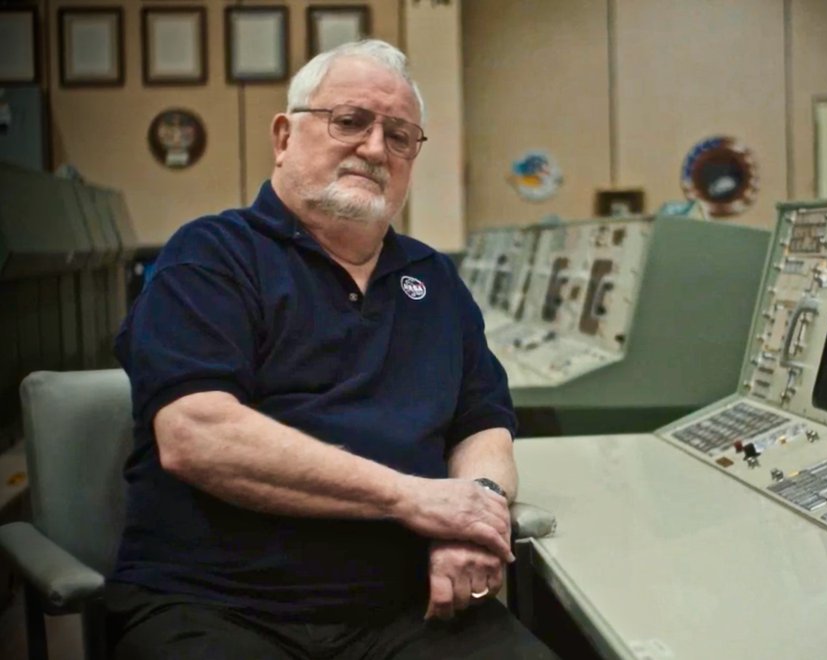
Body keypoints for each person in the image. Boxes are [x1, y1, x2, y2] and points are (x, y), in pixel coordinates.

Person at [108, 40, 556, 659]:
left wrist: (474, 516)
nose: (374, 149)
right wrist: (417, 500)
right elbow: (197, 435)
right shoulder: (210, 257)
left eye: (399, 136)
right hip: (218, 605)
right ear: (284, 136)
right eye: (350, 121)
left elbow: (483, 425)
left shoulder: (435, 281)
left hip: (410, 609)